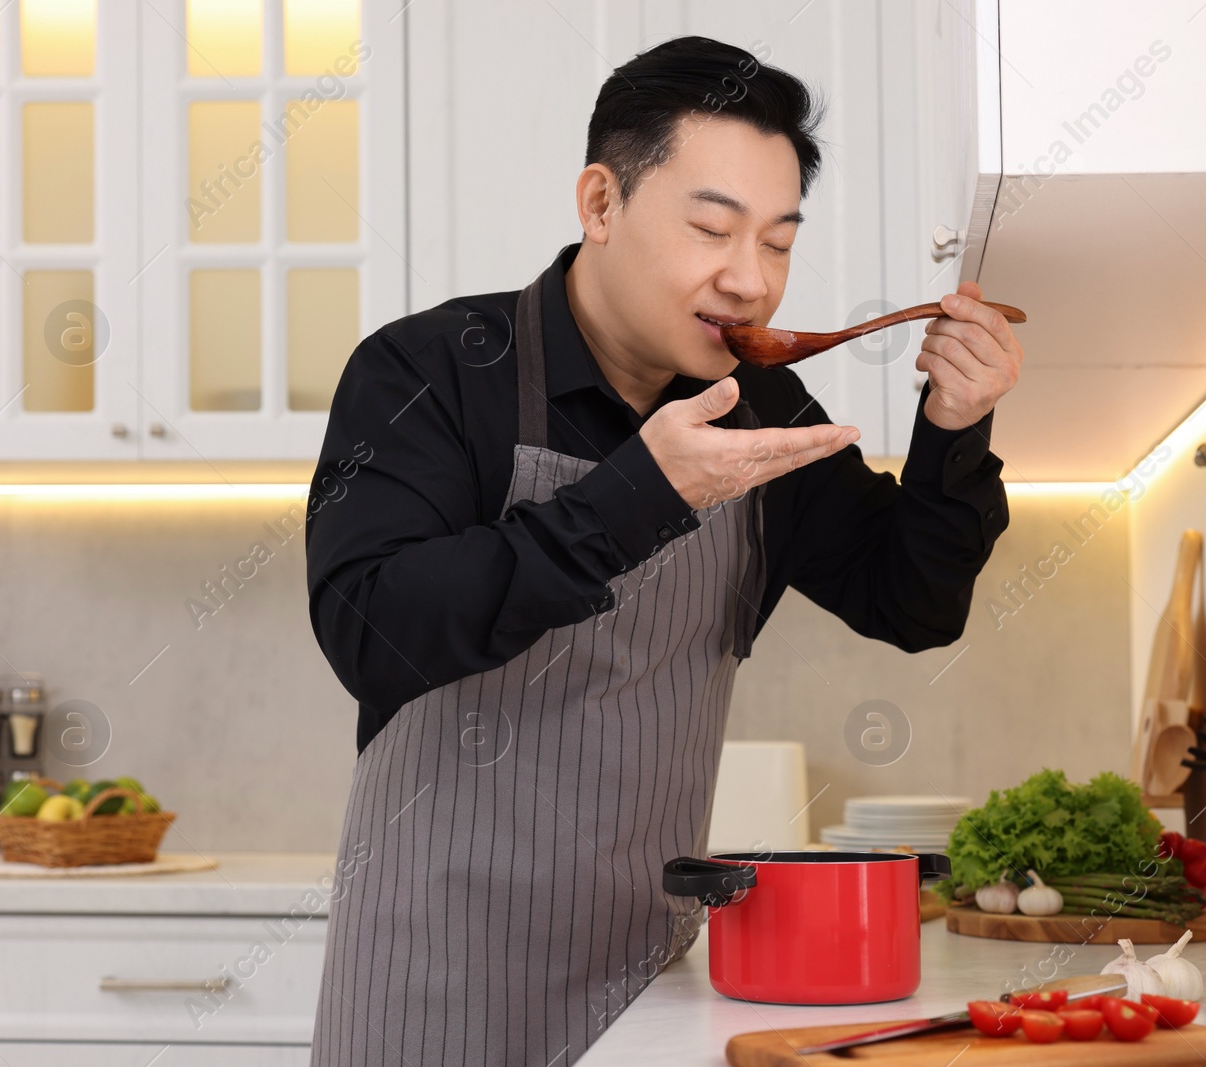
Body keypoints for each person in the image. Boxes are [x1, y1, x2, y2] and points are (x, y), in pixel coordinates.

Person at [305, 34, 1021, 1067]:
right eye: (711, 229)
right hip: (433, 976)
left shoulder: (758, 402)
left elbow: (910, 602)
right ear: (600, 203)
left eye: (777, 242)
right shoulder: (431, 370)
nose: (749, 280)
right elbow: (373, 628)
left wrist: (953, 427)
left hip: (656, 978)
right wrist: (638, 497)